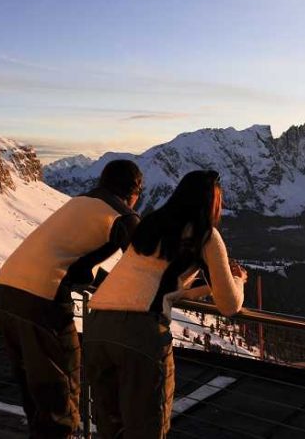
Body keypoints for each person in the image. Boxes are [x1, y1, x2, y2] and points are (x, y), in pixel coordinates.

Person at [85, 170, 247, 439]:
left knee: (110, 426)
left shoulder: (151, 226)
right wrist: (238, 281)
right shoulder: (205, 235)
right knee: (147, 428)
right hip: (141, 332)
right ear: (211, 202)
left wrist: (203, 289)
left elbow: (159, 284)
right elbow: (230, 305)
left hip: (97, 325)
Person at [0, 159, 143, 439]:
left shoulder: (79, 202)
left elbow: (75, 260)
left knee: (35, 392)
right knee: (61, 395)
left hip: (4, 292)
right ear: (135, 192)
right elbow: (147, 264)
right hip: (41, 301)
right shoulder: (123, 215)